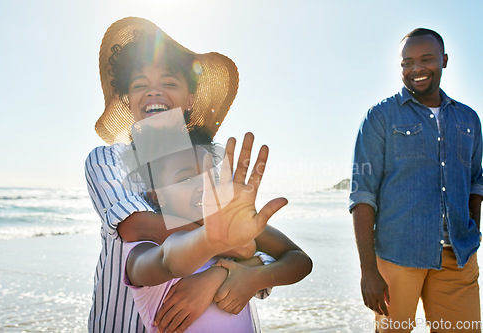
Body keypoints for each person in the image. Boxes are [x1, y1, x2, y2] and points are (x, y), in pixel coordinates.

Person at [85, 17, 303, 333]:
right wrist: (233, 243)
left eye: (169, 83)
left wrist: (229, 270)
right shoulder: (108, 159)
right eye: (140, 85)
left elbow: (267, 249)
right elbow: (137, 226)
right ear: (127, 100)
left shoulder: (211, 167)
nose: (153, 92)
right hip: (126, 323)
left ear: (190, 98)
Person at [350, 28, 483, 333]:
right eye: (407, 62)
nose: (416, 69)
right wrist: (368, 271)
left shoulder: (469, 119)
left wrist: (472, 232)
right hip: (398, 257)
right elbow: (362, 194)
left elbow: (476, 181)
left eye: (426, 59)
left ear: (444, 60)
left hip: (458, 259)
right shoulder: (379, 117)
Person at [123, 135, 312, 332]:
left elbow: (301, 261)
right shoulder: (144, 248)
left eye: (211, 176)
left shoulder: (235, 228)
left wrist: (254, 277)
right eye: (186, 178)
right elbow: (169, 261)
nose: (204, 185)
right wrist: (212, 241)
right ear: (157, 196)